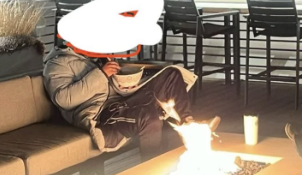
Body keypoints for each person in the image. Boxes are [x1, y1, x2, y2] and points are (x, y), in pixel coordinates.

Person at [43, 43, 213, 159]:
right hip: (102, 114)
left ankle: (189, 123)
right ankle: (150, 169)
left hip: (118, 100)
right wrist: (101, 74)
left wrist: (120, 78)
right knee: (148, 117)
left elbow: (103, 85)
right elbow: (63, 99)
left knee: (171, 74)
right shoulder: (58, 63)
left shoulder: (88, 56)